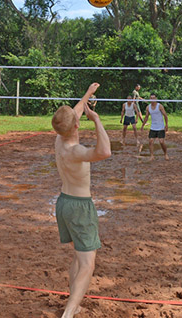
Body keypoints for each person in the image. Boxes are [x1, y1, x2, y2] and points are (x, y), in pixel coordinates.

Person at [51, 83, 110, 318]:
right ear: (77, 125)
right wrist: (96, 120)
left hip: (64, 202)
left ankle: (73, 304)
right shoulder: (75, 151)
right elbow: (104, 151)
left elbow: (71, 115)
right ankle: (68, 313)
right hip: (79, 207)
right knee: (87, 264)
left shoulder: (59, 140)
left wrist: (87, 94)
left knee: (78, 256)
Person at [141, 94, 170, 160]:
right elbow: (146, 117)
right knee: (150, 141)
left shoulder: (159, 106)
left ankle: (165, 154)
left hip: (160, 127)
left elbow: (165, 115)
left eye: (153, 98)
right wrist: (143, 125)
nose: (152, 99)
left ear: (156, 98)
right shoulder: (148, 107)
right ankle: (152, 156)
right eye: (151, 98)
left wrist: (166, 125)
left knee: (161, 142)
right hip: (153, 127)